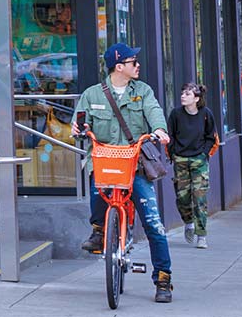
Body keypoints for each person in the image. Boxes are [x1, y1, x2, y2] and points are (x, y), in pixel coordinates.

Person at [74, 42, 174, 304]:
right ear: (119, 67)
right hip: (105, 161)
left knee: (153, 223)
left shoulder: (142, 91)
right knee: (97, 188)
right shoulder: (92, 94)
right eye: (133, 62)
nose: (137, 65)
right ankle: (98, 230)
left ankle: (163, 278)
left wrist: (160, 130)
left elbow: (154, 112)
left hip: (135, 163)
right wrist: (78, 129)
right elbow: (80, 122)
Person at [169, 81, 219, 248]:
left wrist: (204, 154)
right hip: (180, 160)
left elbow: (211, 136)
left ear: (196, 98)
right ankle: (188, 222)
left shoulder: (206, 114)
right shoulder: (175, 114)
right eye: (182, 93)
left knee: (200, 197)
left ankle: (201, 235)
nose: (183, 96)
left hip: (199, 160)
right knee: (182, 197)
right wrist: (174, 154)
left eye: (187, 94)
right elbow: (171, 136)